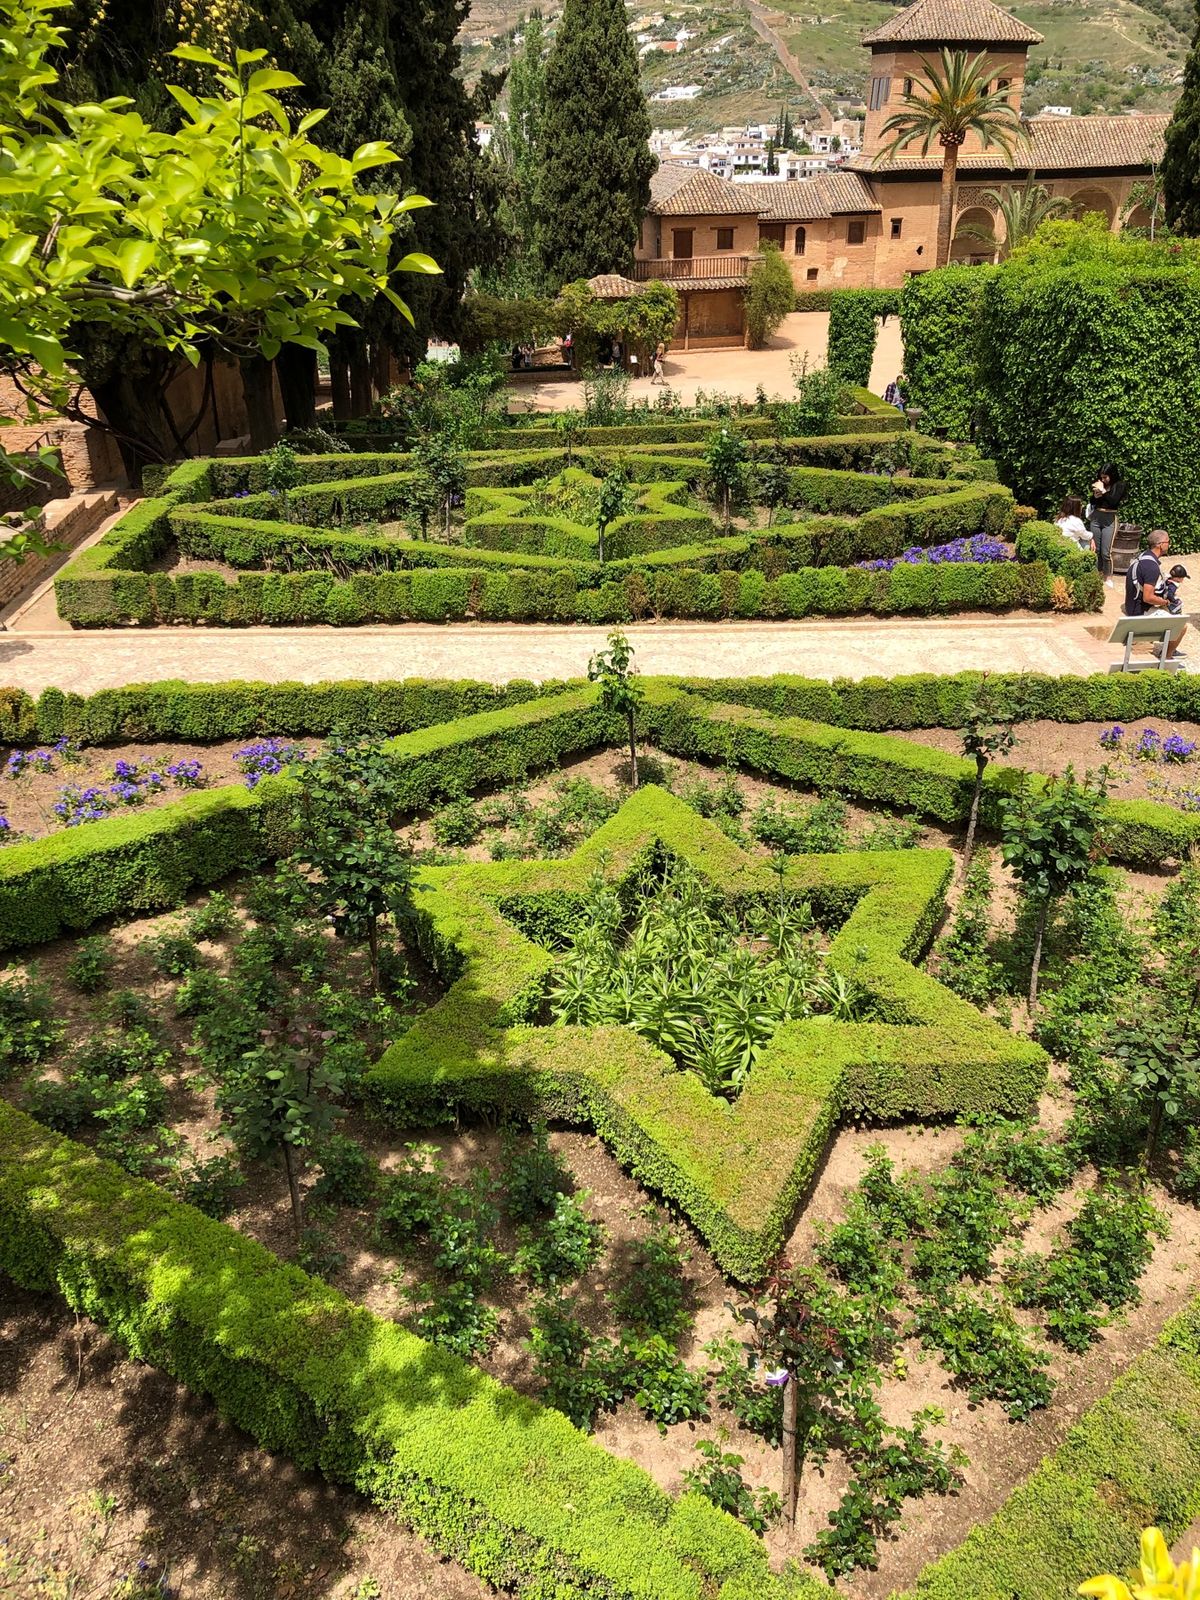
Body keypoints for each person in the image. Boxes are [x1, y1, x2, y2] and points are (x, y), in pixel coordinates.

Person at [1124, 528, 1187, 658]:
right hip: (1140, 611)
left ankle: (1169, 647)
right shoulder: (1151, 567)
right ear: (1160, 544)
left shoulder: (1143, 556)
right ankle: (1167, 656)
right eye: (1168, 541)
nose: (1169, 544)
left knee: (1172, 610)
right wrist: (1165, 601)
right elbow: (1148, 597)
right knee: (1182, 626)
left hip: (1131, 604)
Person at [1088, 465, 1126, 585]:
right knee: (1096, 550)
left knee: (1106, 552)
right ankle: (1097, 574)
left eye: (1105, 477)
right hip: (1097, 517)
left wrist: (1104, 491)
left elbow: (1113, 501)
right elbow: (1093, 502)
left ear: (1111, 475)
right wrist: (1095, 496)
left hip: (1110, 518)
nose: (1103, 480)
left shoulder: (1119, 485)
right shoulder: (1100, 484)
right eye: (1101, 477)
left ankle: (1108, 577)